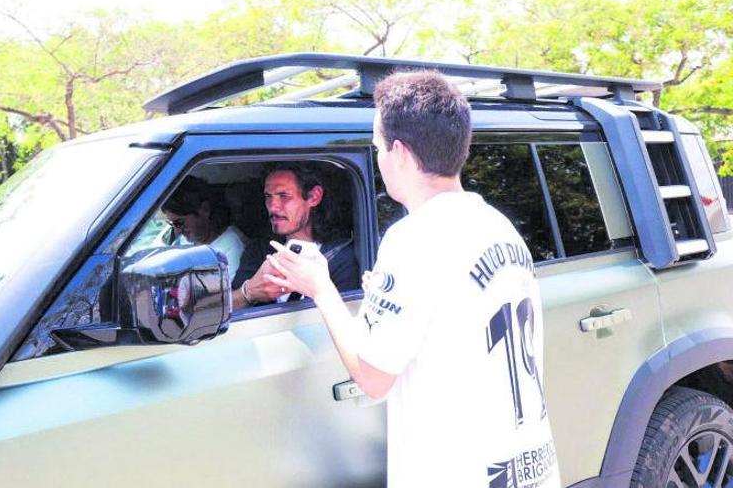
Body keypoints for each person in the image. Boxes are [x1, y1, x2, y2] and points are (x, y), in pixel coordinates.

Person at [265, 71, 561, 487]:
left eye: (378, 147)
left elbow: (373, 379)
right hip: (528, 470)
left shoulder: (413, 239)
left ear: (399, 152)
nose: (379, 158)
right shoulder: (498, 226)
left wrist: (321, 288)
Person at [231, 162, 359, 310]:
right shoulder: (259, 250)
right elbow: (223, 312)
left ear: (313, 197)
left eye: (284, 196)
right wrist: (249, 292)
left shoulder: (342, 258)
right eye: (268, 196)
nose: (272, 206)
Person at [162, 176, 248, 280]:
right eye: (173, 224)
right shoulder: (184, 242)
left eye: (180, 222)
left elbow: (231, 295)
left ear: (204, 210)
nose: (177, 231)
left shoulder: (232, 245)